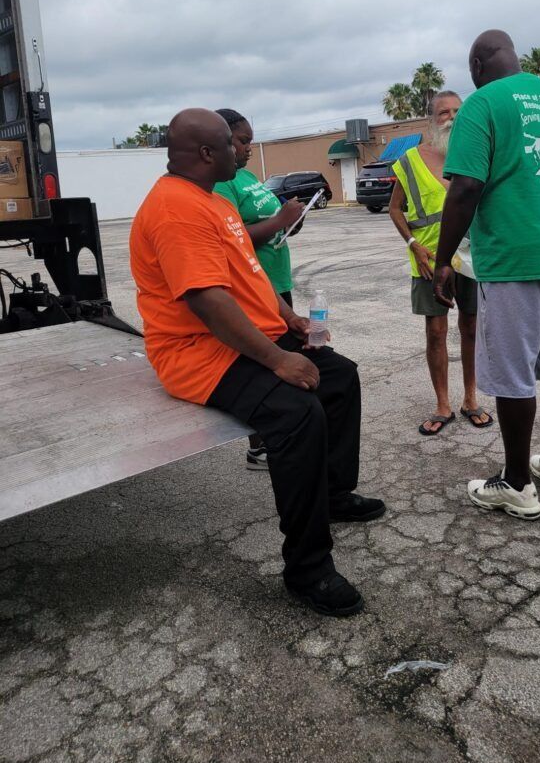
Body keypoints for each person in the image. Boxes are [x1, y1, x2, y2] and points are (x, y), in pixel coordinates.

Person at [129, 108, 386, 617]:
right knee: (296, 412)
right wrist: (277, 361)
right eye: (231, 143)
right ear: (206, 153)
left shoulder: (214, 201)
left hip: (242, 336)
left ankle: (333, 496)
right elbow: (208, 300)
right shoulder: (176, 209)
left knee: (338, 376)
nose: (240, 149)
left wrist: (288, 321)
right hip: (195, 351)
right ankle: (307, 568)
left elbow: (248, 275)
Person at [434, 30, 540, 520]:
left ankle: (516, 483)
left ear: (478, 65)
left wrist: (443, 259)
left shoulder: (483, 105)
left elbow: (465, 186)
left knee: (513, 373)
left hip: (515, 259)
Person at [389, 91, 493, 435]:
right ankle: (442, 404)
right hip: (430, 261)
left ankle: (470, 400)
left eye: (456, 111)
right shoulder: (409, 160)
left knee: (472, 328)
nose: (451, 117)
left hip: (471, 258)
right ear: (431, 121)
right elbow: (395, 208)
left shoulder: (479, 152)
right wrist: (414, 244)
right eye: (443, 113)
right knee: (436, 332)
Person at [213, 108, 304, 470]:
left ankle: (284, 434)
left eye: (251, 140)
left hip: (277, 282)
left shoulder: (247, 175)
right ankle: (260, 447)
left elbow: (271, 222)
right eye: (243, 140)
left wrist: (289, 223)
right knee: (265, 363)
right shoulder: (223, 183)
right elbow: (233, 239)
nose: (249, 148)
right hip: (252, 289)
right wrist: (279, 220)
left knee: (293, 354)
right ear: (222, 141)